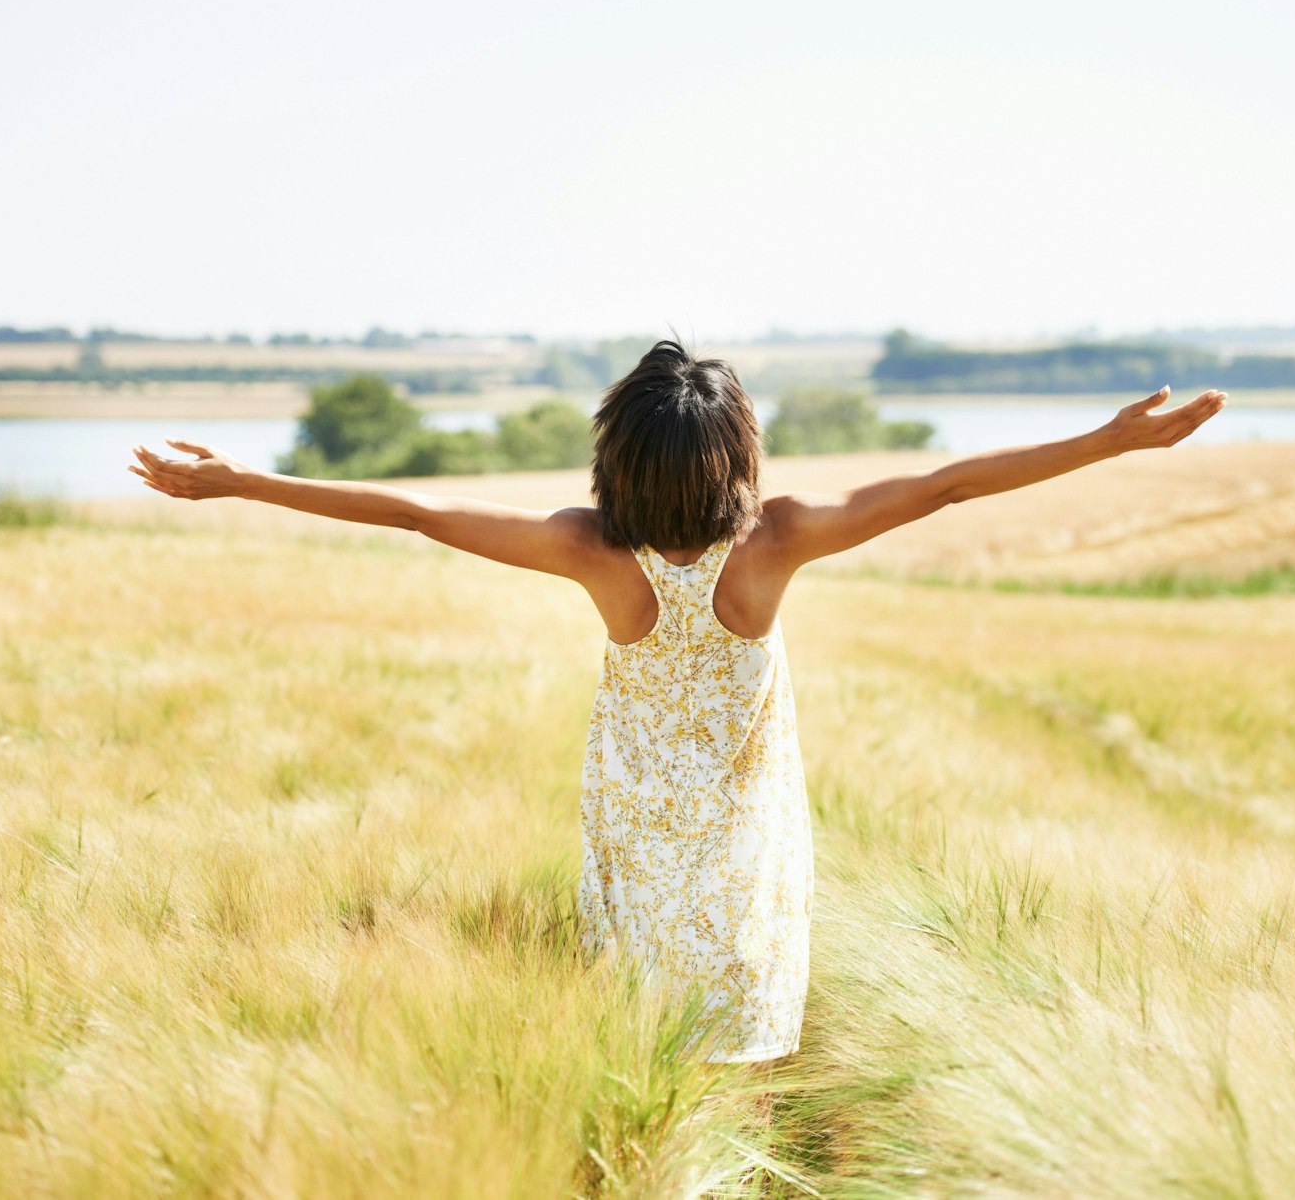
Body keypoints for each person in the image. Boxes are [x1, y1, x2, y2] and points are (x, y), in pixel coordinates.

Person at [126, 339, 1228, 1072]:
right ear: (736, 451)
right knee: (741, 1057)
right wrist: (1107, 440)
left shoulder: (587, 545)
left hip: (635, 841)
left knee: (644, 1044)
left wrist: (243, 481)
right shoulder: (777, 537)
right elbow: (943, 486)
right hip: (741, 845)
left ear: (617, 458)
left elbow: (418, 511)